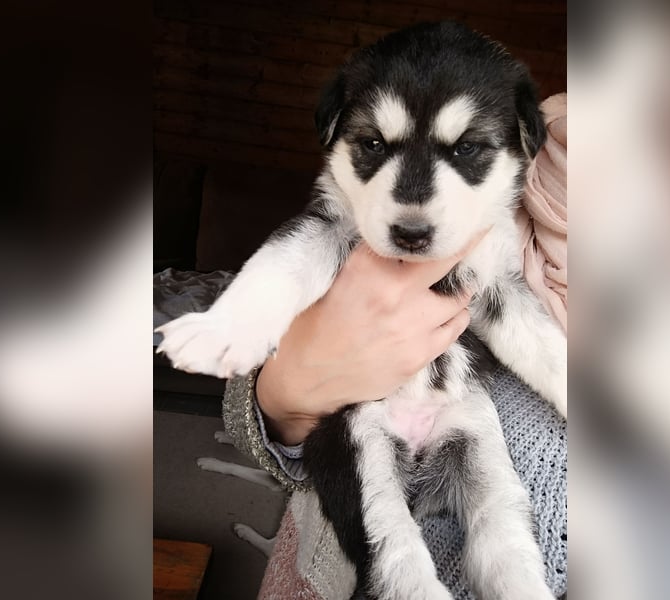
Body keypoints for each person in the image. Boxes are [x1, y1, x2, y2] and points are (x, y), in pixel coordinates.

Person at [223, 95, 568, 599]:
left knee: (500, 523)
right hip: (345, 498)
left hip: (454, 410)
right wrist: (285, 388)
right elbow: (254, 397)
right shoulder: (517, 181)